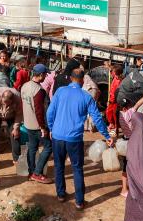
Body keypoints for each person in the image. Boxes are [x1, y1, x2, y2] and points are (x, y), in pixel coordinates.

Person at [47, 69, 113, 210]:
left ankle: (61, 195)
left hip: (58, 136)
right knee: (77, 169)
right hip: (74, 139)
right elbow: (97, 118)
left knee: (59, 166)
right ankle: (79, 201)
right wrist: (107, 136)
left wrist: (51, 128)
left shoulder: (60, 91)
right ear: (83, 81)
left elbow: (50, 112)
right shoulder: (86, 96)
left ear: (71, 78)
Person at [117, 90, 143, 197]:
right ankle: (128, 189)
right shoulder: (129, 113)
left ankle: (124, 188)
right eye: (128, 106)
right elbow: (138, 104)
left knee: (126, 166)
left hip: (124, 141)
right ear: (126, 107)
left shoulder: (119, 115)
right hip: (131, 143)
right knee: (134, 165)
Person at [20, 64, 53, 184]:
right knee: (49, 147)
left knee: (32, 148)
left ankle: (31, 172)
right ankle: (37, 173)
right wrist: (43, 127)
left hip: (28, 123)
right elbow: (39, 111)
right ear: (40, 75)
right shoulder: (39, 91)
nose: (46, 76)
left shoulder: (24, 86)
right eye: (45, 74)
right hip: (37, 126)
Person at [106, 65, 124, 130]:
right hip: (111, 99)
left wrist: (111, 101)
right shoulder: (115, 78)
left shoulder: (120, 81)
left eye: (113, 72)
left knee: (115, 114)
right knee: (109, 112)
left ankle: (115, 127)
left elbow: (116, 93)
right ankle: (111, 123)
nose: (112, 73)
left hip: (115, 100)